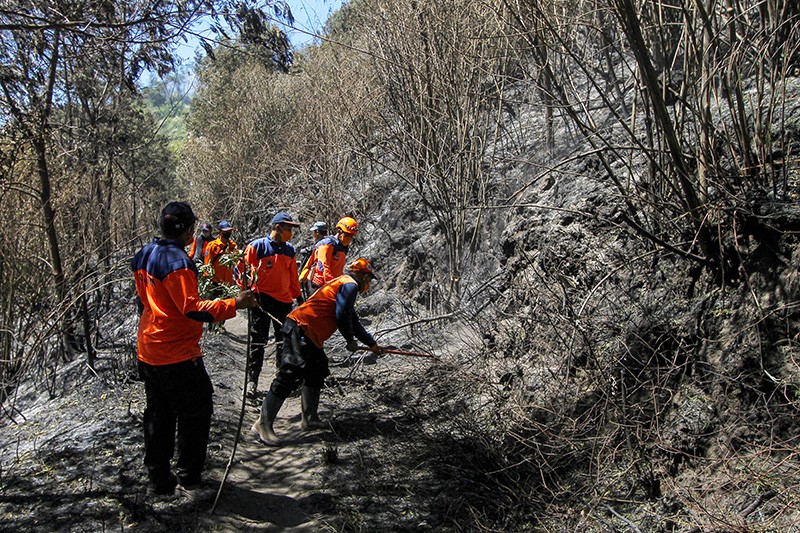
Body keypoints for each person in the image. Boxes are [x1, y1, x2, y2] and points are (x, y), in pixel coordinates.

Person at [131, 201, 256, 496]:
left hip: (149, 350)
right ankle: (189, 479)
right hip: (176, 355)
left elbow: (142, 302)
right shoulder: (177, 262)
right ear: (188, 230)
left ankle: (159, 481)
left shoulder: (143, 254)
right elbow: (192, 309)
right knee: (195, 413)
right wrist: (235, 303)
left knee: (159, 415)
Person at [252, 257, 384, 446]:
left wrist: (371, 343)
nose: (368, 283)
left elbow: (352, 319)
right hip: (300, 328)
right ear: (363, 276)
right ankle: (263, 423)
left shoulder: (343, 283)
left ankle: (310, 419)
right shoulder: (350, 285)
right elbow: (342, 316)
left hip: (310, 334)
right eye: (369, 278)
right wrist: (350, 340)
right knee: (290, 373)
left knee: (317, 369)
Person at [237, 212, 302, 399]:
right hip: (261, 300)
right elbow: (240, 269)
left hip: (284, 302)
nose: (290, 231)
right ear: (277, 227)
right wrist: (246, 292)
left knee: (284, 341)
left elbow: (293, 277)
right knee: (258, 341)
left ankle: (281, 381)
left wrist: (298, 298)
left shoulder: (289, 249)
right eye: (288, 228)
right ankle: (252, 381)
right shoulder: (257, 247)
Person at [304, 216, 358, 296]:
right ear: (339, 231)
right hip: (317, 285)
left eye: (351, 236)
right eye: (347, 234)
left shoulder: (343, 247)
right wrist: (332, 285)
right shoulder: (327, 244)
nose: (349, 238)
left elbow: (338, 269)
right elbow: (323, 266)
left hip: (332, 284)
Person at [203, 220, 238, 297]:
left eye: (229, 231)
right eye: (226, 232)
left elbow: (237, 262)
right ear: (220, 232)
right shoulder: (212, 246)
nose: (228, 233)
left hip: (228, 285)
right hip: (216, 285)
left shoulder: (232, 246)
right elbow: (207, 266)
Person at [298, 221, 328, 300]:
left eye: (314, 232)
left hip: (316, 280)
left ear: (317, 232)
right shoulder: (330, 243)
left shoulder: (320, 245)